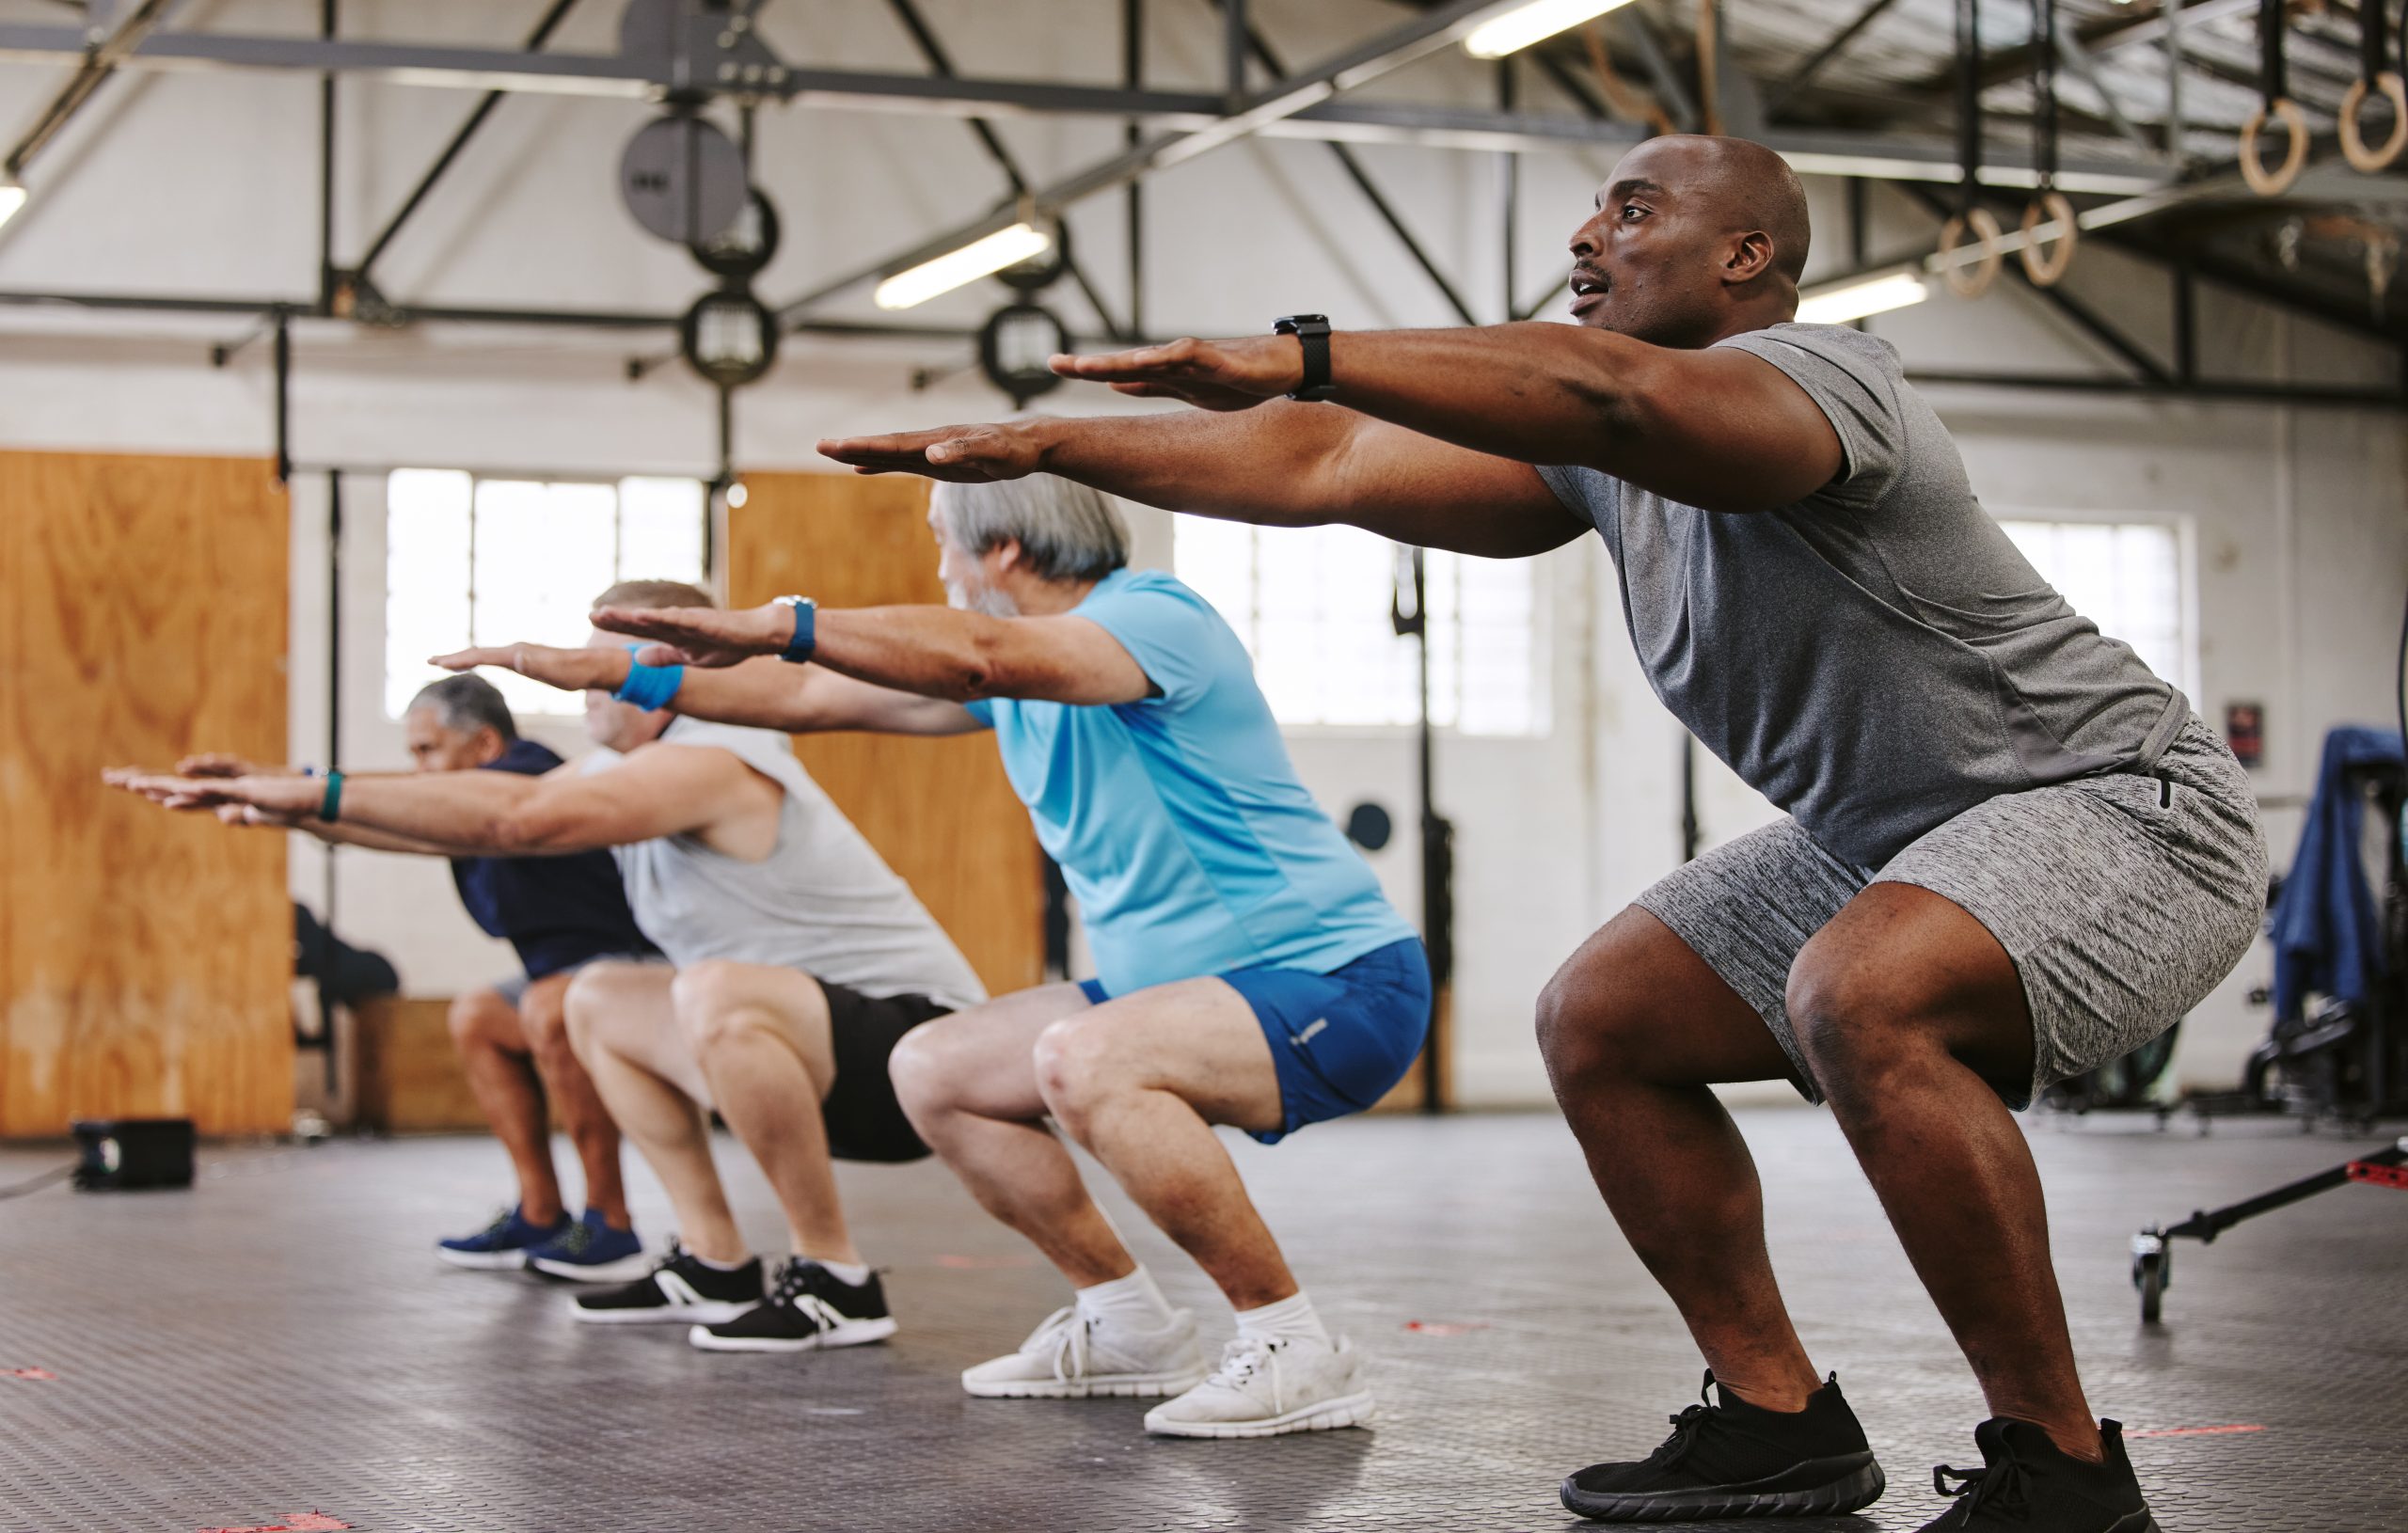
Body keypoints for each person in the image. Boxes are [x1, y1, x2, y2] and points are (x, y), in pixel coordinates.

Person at [808, 135, 2268, 1530]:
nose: (1588, 234)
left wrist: (1307, 347)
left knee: (1861, 990)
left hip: (2117, 803)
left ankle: (2062, 1466)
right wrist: (1042, 444)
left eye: (1634, 211)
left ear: (1749, 253)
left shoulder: (1821, 382)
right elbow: (1320, 468)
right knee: (1601, 1017)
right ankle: (1779, 1415)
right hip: (1889, 830)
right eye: (1593, 215)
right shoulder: (1599, 462)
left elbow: (1605, 394)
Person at [430, 480, 1430, 1440]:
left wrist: (782, 618)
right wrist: (622, 671)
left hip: (1335, 978)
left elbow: (975, 654)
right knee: (934, 1067)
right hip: (1168, 992)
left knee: (1082, 1056)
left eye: (944, 537)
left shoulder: (1152, 616)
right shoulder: (1016, 680)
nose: (939, 563)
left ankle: (1292, 1346)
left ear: (1002, 548)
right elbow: (817, 697)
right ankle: (1124, 1320)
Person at [114, 581, 987, 1355]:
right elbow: (457, 815)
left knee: (701, 988)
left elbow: (519, 817)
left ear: (671, 668)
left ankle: (835, 1279)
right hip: (808, 1049)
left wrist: (314, 793)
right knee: (602, 996)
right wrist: (290, 801)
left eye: (598, 666)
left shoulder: (718, 755)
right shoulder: (630, 764)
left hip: (919, 1053)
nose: (579, 681)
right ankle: (715, 1260)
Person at [170, 674, 659, 1279]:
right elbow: (382, 824)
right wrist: (275, 800)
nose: (419, 770)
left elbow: (395, 804)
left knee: (548, 1008)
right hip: (567, 971)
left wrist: (289, 786)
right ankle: (540, 1212)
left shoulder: (530, 777)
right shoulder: (463, 808)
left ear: (483, 746)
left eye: (428, 752)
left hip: (640, 965)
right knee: (478, 1017)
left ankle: (610, 1222)